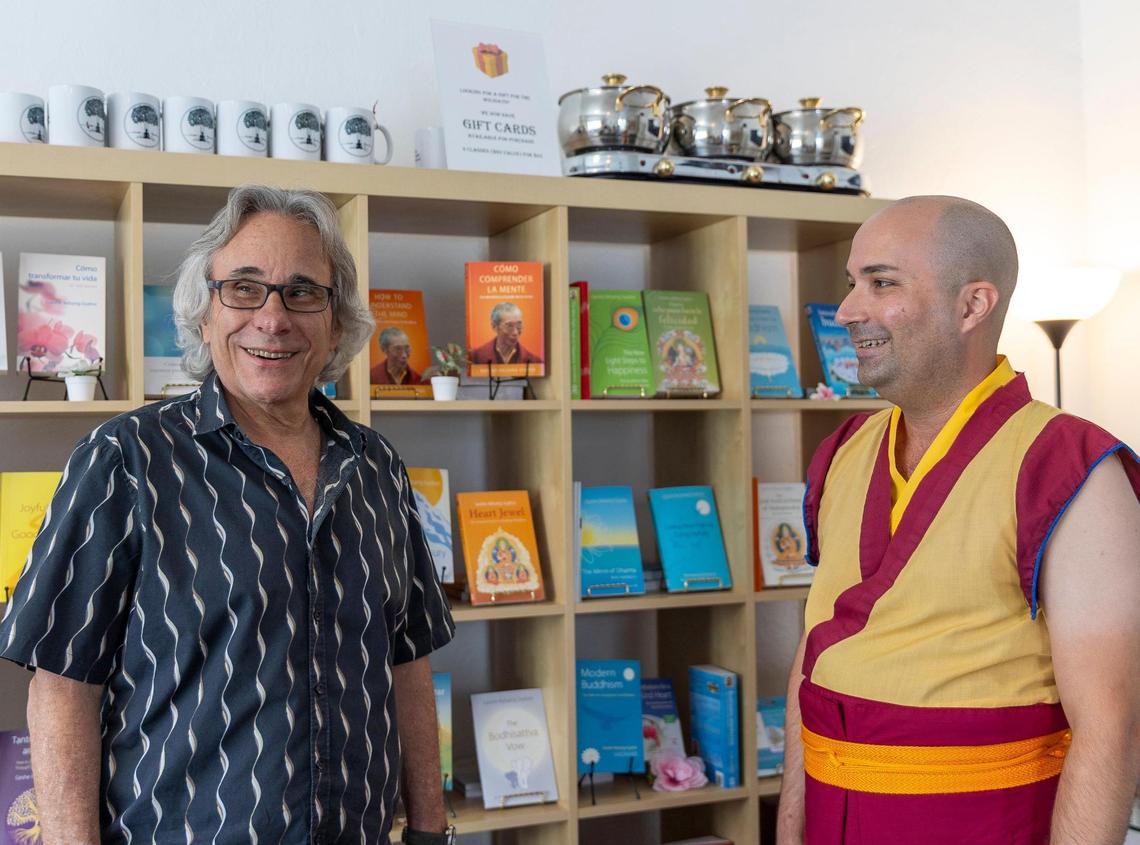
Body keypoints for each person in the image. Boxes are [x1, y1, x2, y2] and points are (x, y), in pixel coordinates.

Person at [0, 185, 456, 845]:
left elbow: (408, 662)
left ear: (335, 321)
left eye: (303, 292)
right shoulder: (125, 459)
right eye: (244, 288)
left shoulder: (378, 467)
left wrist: (431, 829)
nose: (272, 318)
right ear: (204, 312)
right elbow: (63, 687)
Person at [776, 196, 1140, 845]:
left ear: (973, 305)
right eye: (852, 283)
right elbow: (815, 658)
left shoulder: (1069, 468)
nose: (847, 311)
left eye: (881, 282)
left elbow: (1112, 726)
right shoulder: (845, 452)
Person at [469, 302, 541, 368]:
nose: (515, 332)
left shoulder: (535, 361)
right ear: (494, 326)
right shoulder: (476, 356)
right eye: (509, 326)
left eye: (519, 325)